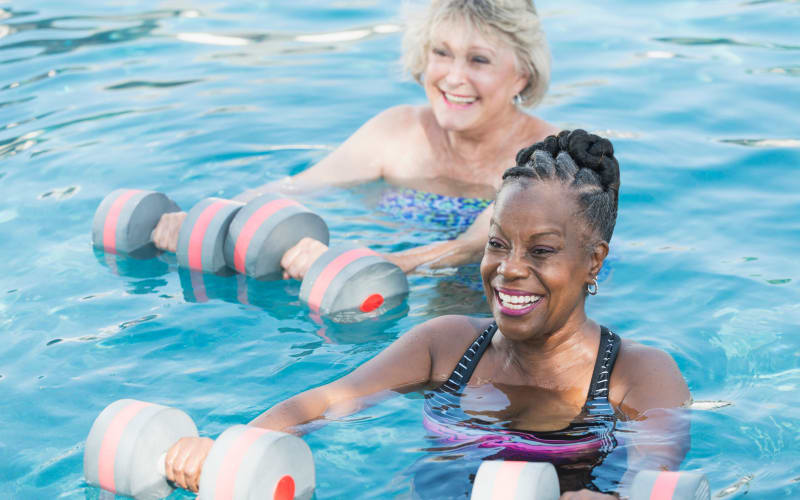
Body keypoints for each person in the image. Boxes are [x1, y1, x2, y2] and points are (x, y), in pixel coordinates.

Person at [163, 131, 692, 498]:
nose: (508, 269)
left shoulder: (636, 375)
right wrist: (232, 447)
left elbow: (654, 471)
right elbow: (327, 401)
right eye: (498, 244)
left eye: (542, 251)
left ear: (592, 261)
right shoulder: (445, 345)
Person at [151, 0, 560, 279]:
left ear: (521, 74)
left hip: (504, 289)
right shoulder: (397, 130)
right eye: (441, 53)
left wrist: (367, 263)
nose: (453, 77)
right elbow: (299, 185)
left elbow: (474, 247)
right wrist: (205, 219)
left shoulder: (546, 156)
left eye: (479, 60)